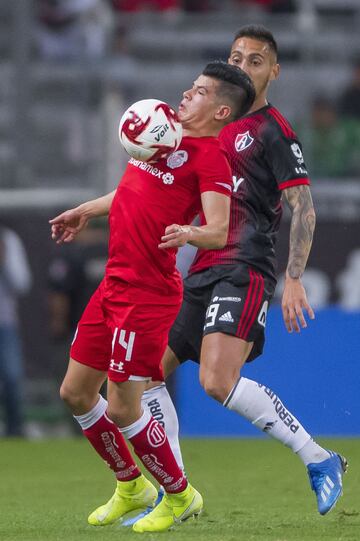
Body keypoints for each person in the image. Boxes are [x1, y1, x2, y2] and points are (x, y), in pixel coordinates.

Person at [130, 25, 347, 522]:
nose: (243, 66)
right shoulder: (209, 127)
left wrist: (293, 276)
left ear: (274, 71)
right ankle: (177, 493)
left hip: (244, 266)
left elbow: (304, 207)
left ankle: (319, 459)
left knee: (215, 380)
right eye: (236, 57)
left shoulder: (273, 130)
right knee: (145, 376)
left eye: (255, 60)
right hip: (201, 266)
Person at [49, 61, 256, 533]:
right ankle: (131, 488)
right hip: (113, 283)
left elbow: (221, 230)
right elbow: (131, 191)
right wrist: (85, 210)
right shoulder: (160, 129)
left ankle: (180, 495)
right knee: (76, 392)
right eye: (191, 87)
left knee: (123, 406)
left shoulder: (211, 159)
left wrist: (190, 231)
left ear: (222, 110)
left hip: (148, 293)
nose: (187, 93)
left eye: (200, 92)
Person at [0, 226, 32, 437]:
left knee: (12, 377)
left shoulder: (8, 239)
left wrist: (3, 260)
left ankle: (15, 430)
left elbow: (22, 283)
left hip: (5, 324)